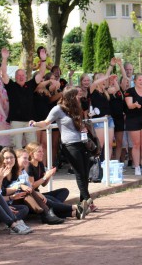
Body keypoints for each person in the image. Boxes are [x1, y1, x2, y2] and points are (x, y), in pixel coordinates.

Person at [30, 87, 98, 215]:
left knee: (85, 173)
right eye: (77, 95)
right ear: (70, 97)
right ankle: (89, 201)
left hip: (83, 143)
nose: (79, 97)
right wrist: (34, 124)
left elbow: (79, 123)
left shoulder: (76, 107)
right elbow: (46, 122)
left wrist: (83, 129)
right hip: (70, 145)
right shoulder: (58, 109)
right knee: (79, 173)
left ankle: (84, 201)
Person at [0, 146, 65, 224]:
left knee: (59, 194)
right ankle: (52, 212)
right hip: (10, 200)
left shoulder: (15, 170)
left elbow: (37, 185)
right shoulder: (2, 171)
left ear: (15, 158)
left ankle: (51, 213)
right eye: (6, 158)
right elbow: (1, 192)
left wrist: (48, 176)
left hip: (23, 196)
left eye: (11, 157)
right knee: (45, 200)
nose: (9, 160)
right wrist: (20, 186)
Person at [0, 47, 47, 148]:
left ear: (26, 76)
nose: (21, 77)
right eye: (19, 75)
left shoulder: (30, 85)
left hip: (30, 121)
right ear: (15, 77)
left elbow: (41, 73)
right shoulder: (11, 85)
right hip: (16, 121)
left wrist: (43, 60)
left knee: (33, 147)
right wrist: (4, 58)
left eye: (22, 75)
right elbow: (3, 74)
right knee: (17, 147)